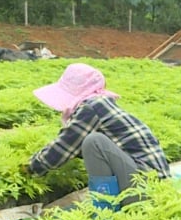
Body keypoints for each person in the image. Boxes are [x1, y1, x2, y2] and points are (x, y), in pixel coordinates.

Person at [23, 63, 171, 209]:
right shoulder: (101, 103)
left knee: (94, 142)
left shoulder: (91, 108)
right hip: (153, 185)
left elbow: (63, 147)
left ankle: (104, 208)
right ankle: (108, 204)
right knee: (90, 143)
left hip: (145, 188)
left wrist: (30, 168)